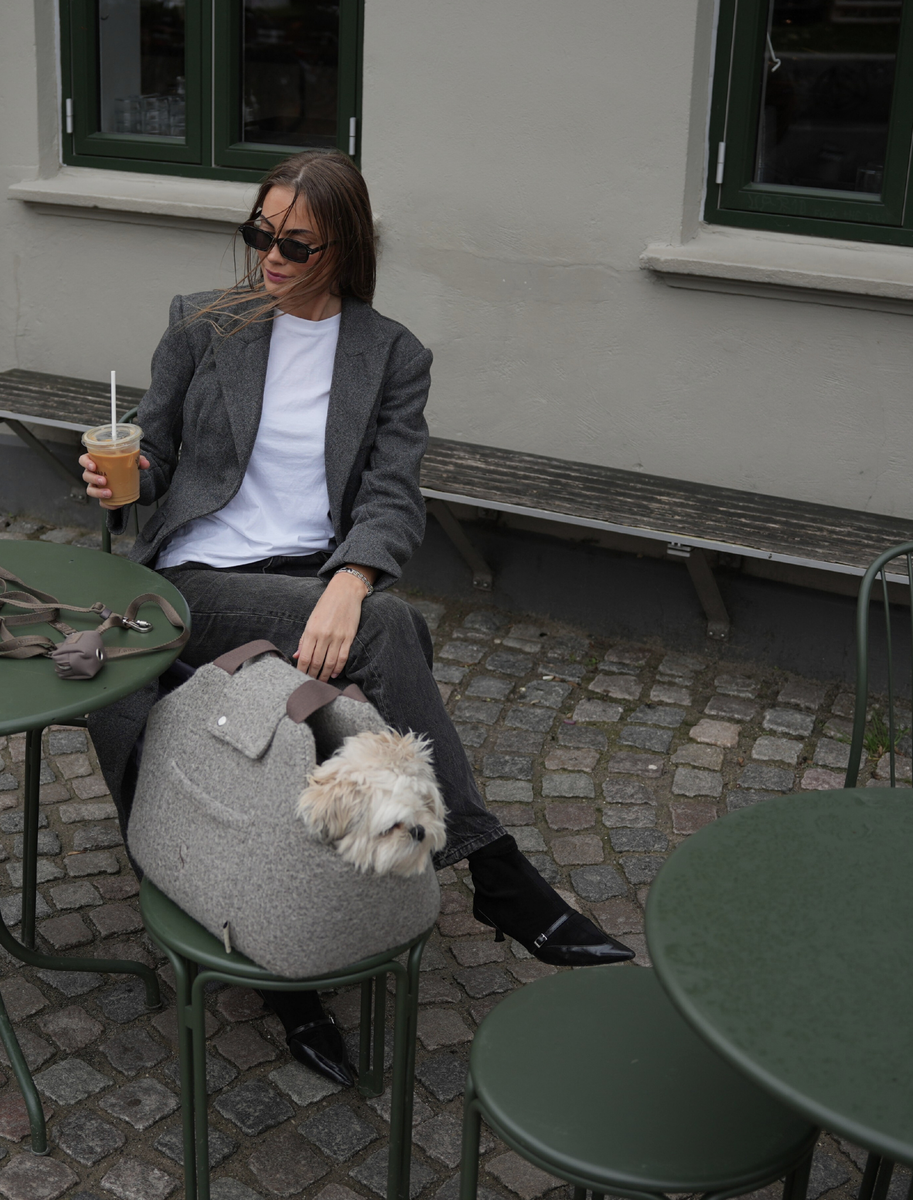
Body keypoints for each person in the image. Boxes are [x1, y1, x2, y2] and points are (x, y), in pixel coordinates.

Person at [80, 149, 632, 1087]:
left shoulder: (392, 354)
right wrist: (117, 483)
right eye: (260, 233)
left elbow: (392, 493)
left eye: (295, 243)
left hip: (310, 577)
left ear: (344, 246)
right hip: (197, 580)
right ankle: (493, 872)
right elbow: (156, 456)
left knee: (358, 647)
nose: (270, 256)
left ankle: (291, 938)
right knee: (391, 629)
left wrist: (350, 578)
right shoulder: (203, 324)